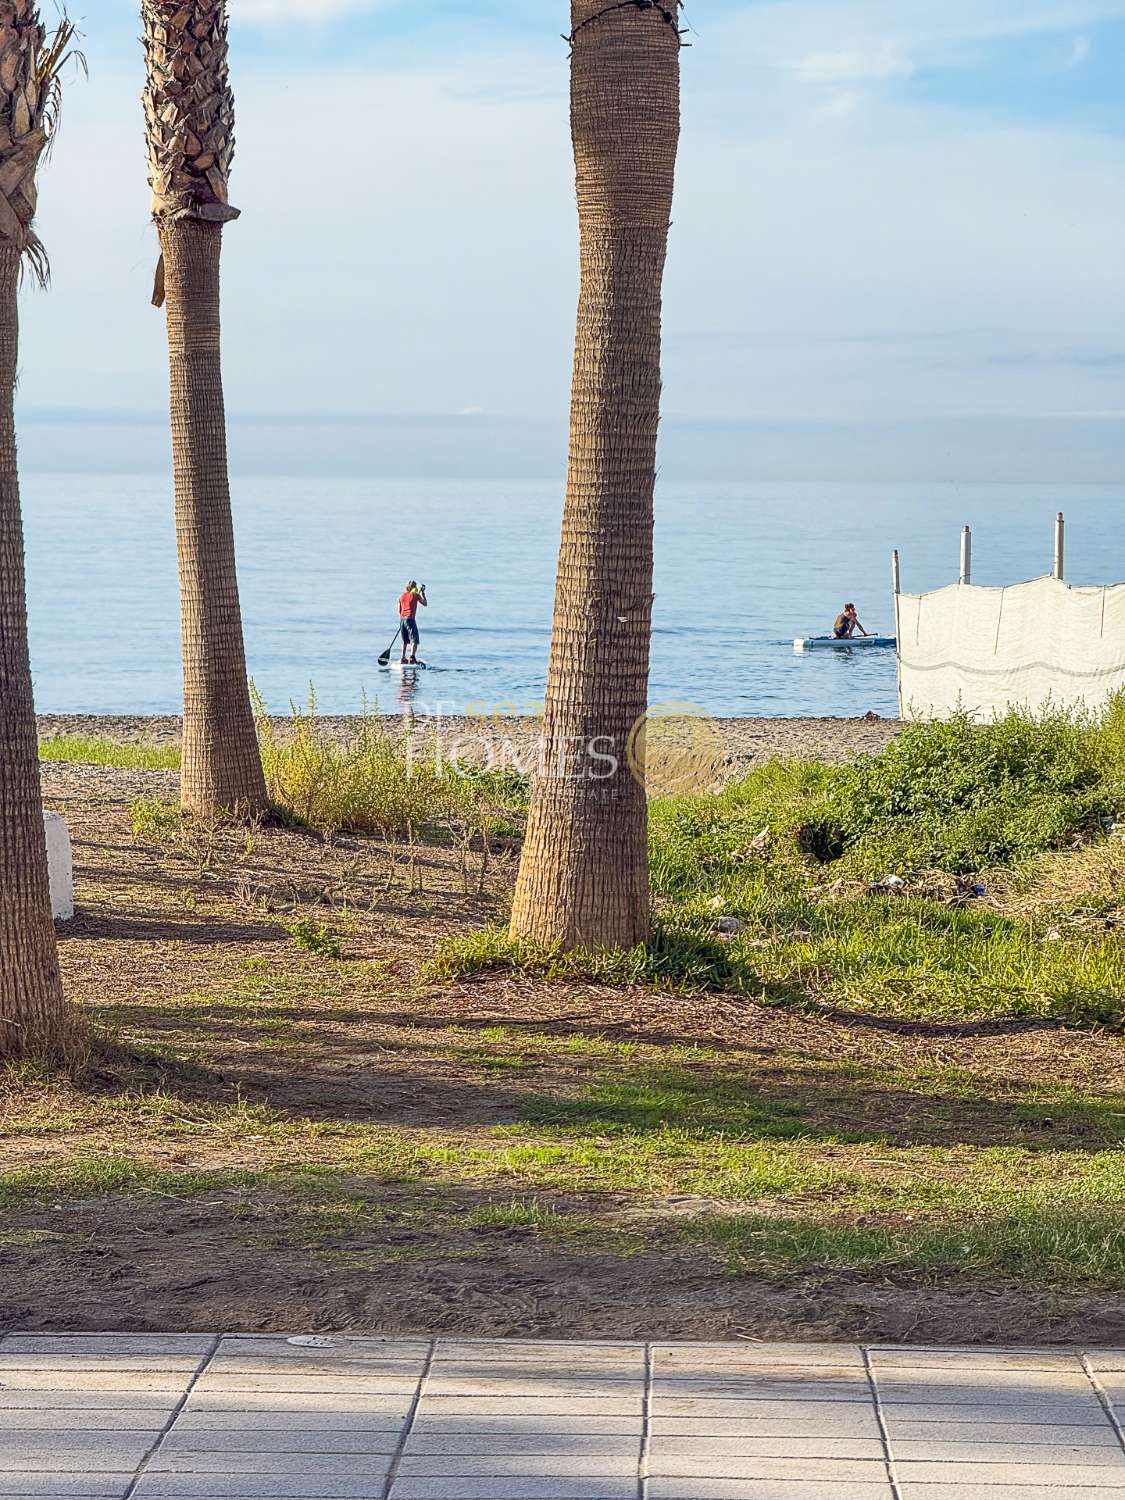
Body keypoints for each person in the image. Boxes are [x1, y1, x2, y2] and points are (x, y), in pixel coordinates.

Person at [398, 580, 427, 664]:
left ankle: (403, 658)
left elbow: (399, 610)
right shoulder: (415, 595)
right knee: (415, 640)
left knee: (405, 640)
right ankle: (412, 658)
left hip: (402, 619)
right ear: (414, 587)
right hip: (410, 619)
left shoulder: (401, 596)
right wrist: (423, 594)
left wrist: (404, 618)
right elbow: (425, 603)